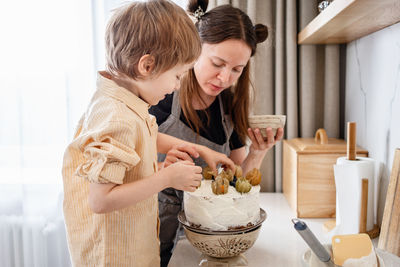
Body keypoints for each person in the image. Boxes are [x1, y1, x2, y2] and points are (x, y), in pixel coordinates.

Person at [62, 1, 234, 266]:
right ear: (147, 65)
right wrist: (166, 177)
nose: (177, 86)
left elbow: (145, 135)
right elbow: (100, 200)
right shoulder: (116, 116)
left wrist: (203, 151)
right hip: (115, 256)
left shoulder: (124, 103)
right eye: (177, 76)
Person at [149, 0, 285, 266]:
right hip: (153, 235)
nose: (224, 78)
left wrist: (258, 152)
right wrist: (164, 170)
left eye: (236, 69)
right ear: (195, 49)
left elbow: (234, 185)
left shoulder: (230, 107)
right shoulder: (161, 94)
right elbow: (126, 170)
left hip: (211, 243)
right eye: (217, 63)